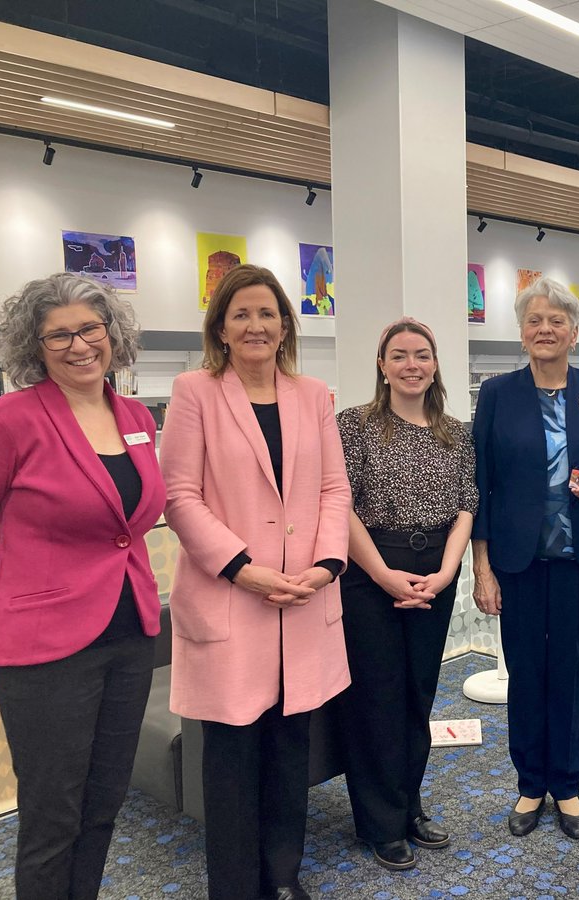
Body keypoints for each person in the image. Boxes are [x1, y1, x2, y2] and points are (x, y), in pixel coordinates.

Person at [0, 275, 164, 900]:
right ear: (34, 347)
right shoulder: (1, 423)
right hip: (42, 651)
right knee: (52, 817)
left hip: (129, 636)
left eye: (89, 329)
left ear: (111, 335)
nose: (78, 345)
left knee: (103, 804)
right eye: (58, 334)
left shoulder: (136, 416)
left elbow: (129, 528)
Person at [161, 264, 351, 900]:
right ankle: (236, 886)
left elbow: (333, 489)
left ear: (285, 324)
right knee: (233, 754)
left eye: (266, 313)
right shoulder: (194, 392)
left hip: (304, 597)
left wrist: (326, 566)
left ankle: (283, 875)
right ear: (219, 326)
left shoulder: (314, 395)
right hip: (231, 596)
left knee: (289, 748)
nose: (255, 325)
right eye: (240, 313)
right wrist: (242, 568)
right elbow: (180, 498)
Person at [471, 277, 579, 840]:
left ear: (573, 331)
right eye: (534, 320)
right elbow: (481, 485)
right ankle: (529, 783)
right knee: (524, 673)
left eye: (556, 321)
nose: (545, 329)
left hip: (577, 556)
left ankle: (566, 785)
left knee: (566, 670)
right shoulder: (497, 394)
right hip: (516, 560)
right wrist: (482, 566)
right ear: (521, 333)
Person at [335, 317, 477, 871]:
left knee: (418, 695)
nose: (411, 365)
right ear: (382, 365)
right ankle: (379, 822)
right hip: (371, 571)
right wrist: (382, 574)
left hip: (436, 570)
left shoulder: (456, 431)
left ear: (435, 364)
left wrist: (445, 573)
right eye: (399, 356)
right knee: (376, 697)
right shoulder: (354, 426)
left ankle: (409, 804)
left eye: (421, 355)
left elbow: (467, 505)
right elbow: (339, 507)